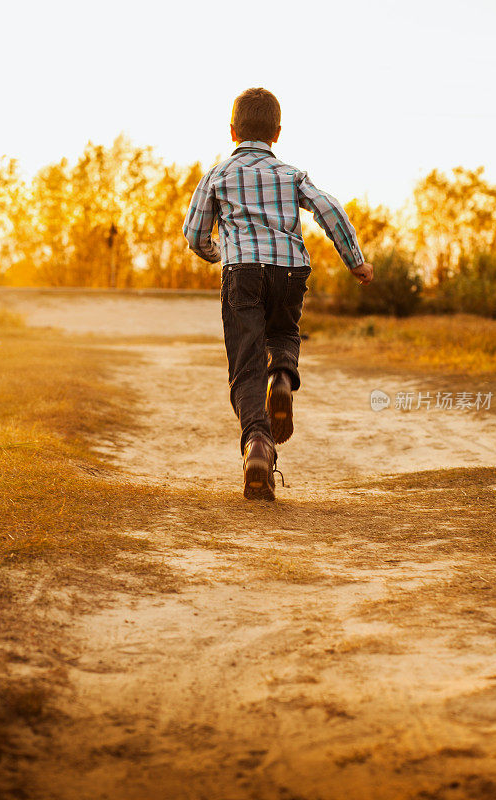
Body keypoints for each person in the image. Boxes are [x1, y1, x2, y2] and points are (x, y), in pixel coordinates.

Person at [183, 87, 373, 501]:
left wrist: (215, 252)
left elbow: (194, 233)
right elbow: (330, 209)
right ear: (277, 133)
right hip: (289, 269)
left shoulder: (219, 174)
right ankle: (283, 377)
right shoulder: (291, 175)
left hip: (243, 271)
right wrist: (355, 260)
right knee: (284, 334)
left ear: (232, 130)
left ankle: (258, 445)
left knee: (246, 366)